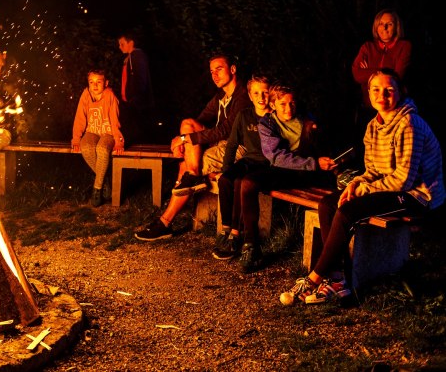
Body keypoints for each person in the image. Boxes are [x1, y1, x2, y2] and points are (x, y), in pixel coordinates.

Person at [280, 69, 443, 305]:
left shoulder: (409, 123)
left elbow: (404, 180)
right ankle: (337, 281)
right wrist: (357, 183)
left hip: (416, 195)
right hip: (390, 189)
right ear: (368, 93)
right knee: (328, 203)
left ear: (400, 92)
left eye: (389, 89)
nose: (382, 94)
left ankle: (315, 277)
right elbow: (373, 171)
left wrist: (363, 190)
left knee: (349, 211)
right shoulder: (373, 126)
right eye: (376, 89)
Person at [135, 54, 250, 241]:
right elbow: (201, 119)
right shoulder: (221, 95)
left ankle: (165, 223)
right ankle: (194, 176)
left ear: (233, 69)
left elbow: (227, 130)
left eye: (219, 69)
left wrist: (186, 139)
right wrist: (182, 138)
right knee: (187, 124)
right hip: (221, 143)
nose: (215, 75)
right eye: (212, 71)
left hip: (238, 147)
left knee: (184, 166)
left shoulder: (243, 95)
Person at [235, 84, 338, 271]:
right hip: (284, 169)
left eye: (292, 103)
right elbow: (276, 157)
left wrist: (319, 144)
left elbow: (323, 148)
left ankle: (330, 258)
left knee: (331, 190)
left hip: (309, 173)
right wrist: (313, 163)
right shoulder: (267, 124)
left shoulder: (307, 120)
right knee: (248, 183)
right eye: (282, 104)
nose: (288, 108)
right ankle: (251, 245)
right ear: (273, 105)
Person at [210, 75, 271, 261]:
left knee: (240, 182)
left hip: (267, 163)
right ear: (250, 96)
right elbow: (232, 144)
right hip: (249, 159)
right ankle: (227, 228)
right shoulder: (244, 115)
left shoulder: (275, 116)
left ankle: (237, 236)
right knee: (226, 179)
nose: (261, 97)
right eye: (256, 93)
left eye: (265, 92)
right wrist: (226, 169)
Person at [71, 69, 124, 207]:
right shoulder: (86, 95)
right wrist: (76, 139)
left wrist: (118, 141)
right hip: (92, 131)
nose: (94, 85)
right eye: (91, 82)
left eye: (98, 82)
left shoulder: (110, 96)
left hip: (108, 133)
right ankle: (105, 179)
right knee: (86, 147)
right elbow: (80, 118)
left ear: (106, 83)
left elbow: (115, 120)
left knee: (102, 149)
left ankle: (97, 188)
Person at [352, 10, 411, 132]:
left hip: (394, 110)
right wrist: (386, 71)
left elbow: (397, 76)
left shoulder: (404, 46)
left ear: (396, 27)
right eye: (380, 23)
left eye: (389, 24)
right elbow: (357, 74)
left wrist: (369, 71)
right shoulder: (368, 47)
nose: (384, 27)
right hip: (369, 108)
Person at [117, 31, 154, 144]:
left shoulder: (137, 55)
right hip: (130, 101)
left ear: (131, 43)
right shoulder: (129, 58)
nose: (120, 47)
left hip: (137, 102)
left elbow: (140, 77)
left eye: (122, 44)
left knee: (139, 131)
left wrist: (136, 97)